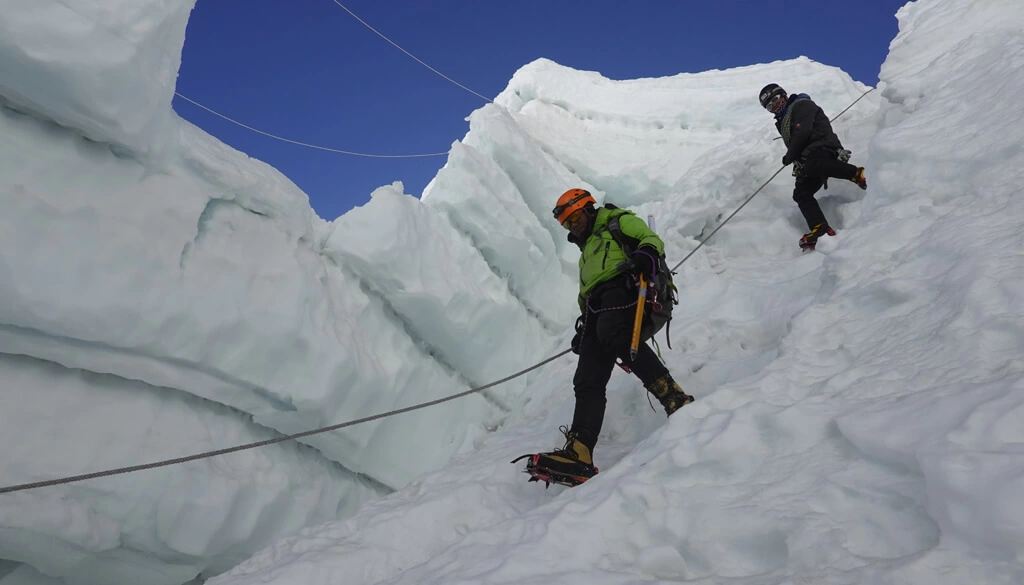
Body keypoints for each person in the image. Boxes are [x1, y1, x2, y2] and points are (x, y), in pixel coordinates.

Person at [530, 188, 694, 482]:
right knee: (587, 377)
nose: (573, 225)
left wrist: (645, 254)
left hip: (625, 286)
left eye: (576, 217)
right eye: (568, 223)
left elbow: (649, 239)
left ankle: (673, 396)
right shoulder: (585, 255)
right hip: (596, 306)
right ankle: (579, 450)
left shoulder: (616, 221)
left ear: (588, 208)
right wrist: (585, 325)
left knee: (615, 335)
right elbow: (586, 293)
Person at [759, 83, 868, 250]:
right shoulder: (782, 121)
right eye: (769, 106)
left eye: (775, 100)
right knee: (801, 193)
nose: (774, 106)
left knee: (813, 166)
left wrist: (790, 156)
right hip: (809, 158)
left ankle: (855, 173)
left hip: (823, 147)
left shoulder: (802, 105)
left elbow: (802, 132)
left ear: (784, 95)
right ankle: (820, 227)